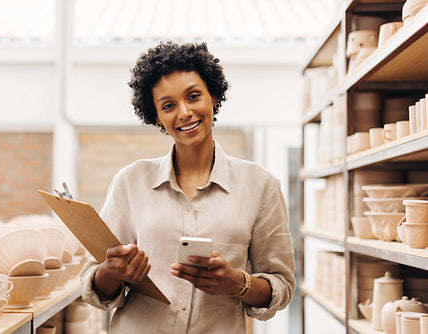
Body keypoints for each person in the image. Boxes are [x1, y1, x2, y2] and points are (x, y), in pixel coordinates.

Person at [80, 41, 295, 333]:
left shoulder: (261, 185)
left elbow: (280, 286)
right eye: (168, 105)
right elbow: (95, 284)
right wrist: (111, 272)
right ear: (156, 116)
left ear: (214, 97)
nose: (184, 112)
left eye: (193, 96)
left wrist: (237, 283)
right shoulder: (130, 181)